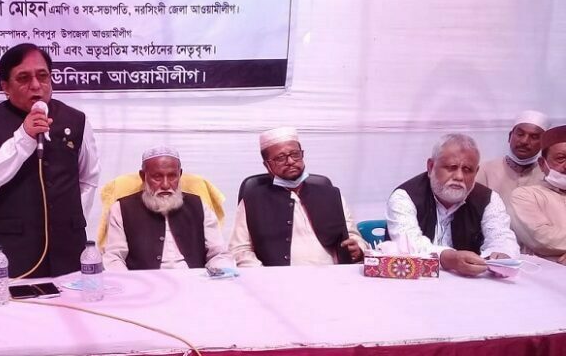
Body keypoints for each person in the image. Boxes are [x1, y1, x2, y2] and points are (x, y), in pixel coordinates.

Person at [0, 43, 100, 278]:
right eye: (24, 78)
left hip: (69, 249)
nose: (36, 85)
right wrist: (23, 137)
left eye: (43, 76)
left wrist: (71, 218)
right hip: (13, 252)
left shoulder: (76, 120)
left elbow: (89, 178)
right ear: (5, 87)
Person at [229, 127, 366, 267]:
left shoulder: (332, 195)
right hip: (277, 278)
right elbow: (240, 250)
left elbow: (352, 235)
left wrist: (358, 249)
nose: (290, 161)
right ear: (267, 165)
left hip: (334, 274)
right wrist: (266, 275)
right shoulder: (252, 201)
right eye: (280, 158)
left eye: (295, 154)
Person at [386, 133, 519, 277]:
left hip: (469, 285)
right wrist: (447, 258)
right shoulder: (405, 197)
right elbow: (407, 245)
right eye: (451, 167)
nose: (459, 176)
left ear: (476, 172)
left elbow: (502, 237)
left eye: (467, 170)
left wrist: (502, 254)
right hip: (413, 281)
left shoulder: (489, 200)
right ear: (431, 167)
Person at [103, 147, 233, 271]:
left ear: (180, 174)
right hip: (145, 283)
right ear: (143, 176)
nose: (165, 185)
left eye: (172, 176)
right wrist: (130, 283)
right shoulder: (121, 209)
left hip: (194, 281)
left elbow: (218, 253)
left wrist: (220, 274)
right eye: (157, 177)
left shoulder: (199, 205)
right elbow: (114, 258)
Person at [507, 125, 566, 264]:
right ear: (542, 164)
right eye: (561, 158)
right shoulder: (525, 196)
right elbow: (542, 238)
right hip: (542, 272)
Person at [475, 110, 548, 206]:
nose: (524, 141)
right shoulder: (484, 170)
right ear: (510, 137)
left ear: (544, 142)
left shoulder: (548, 175)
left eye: (534, 137)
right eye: (520, 134)